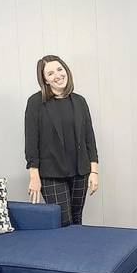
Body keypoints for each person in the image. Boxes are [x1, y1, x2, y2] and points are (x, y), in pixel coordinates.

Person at [25, 55, 99, 226]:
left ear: (66, 70)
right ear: (44, 79)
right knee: (64, 222)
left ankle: (80, 253)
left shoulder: (79, 101)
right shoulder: (36, 102)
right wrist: (34, 176)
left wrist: (94, 171)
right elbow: (31, 142)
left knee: (77, 219)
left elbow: (89, 138)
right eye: (50, 73)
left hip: (80, 171)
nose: (57, 75)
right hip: (51, 174)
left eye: (59, 69)